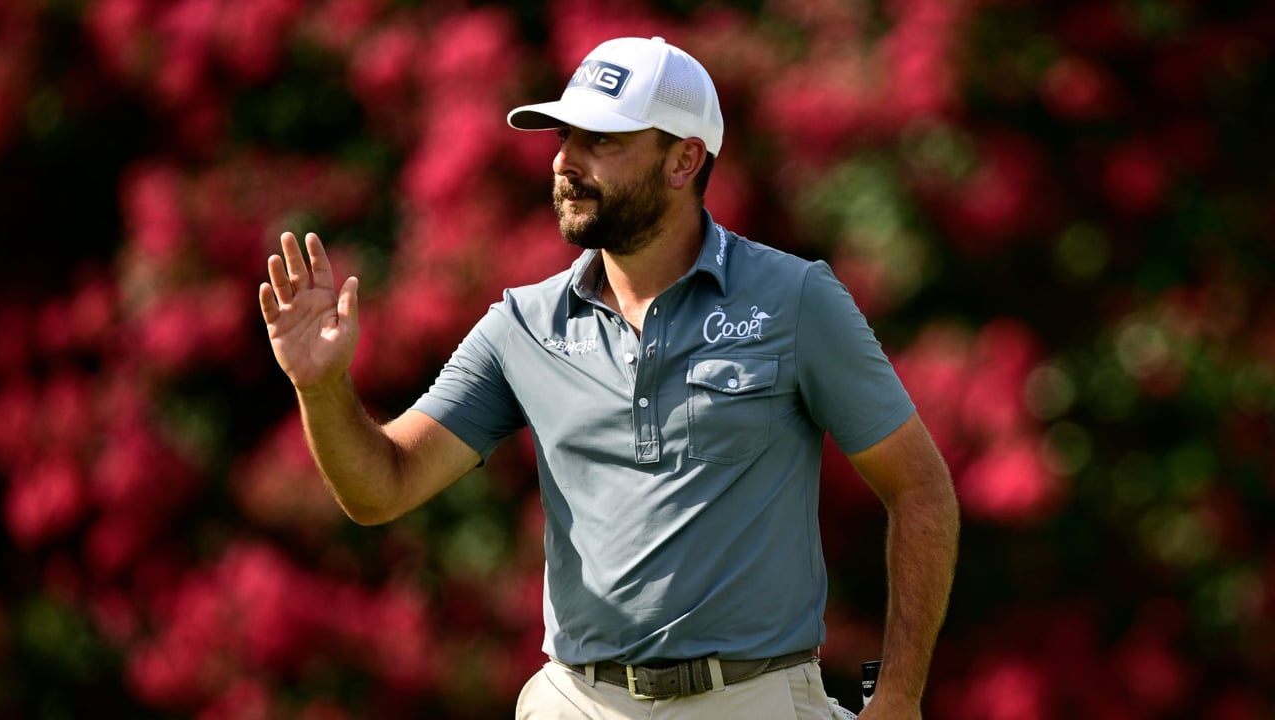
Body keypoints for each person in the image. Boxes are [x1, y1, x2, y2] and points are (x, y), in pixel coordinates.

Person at [259, 36, 958, 720]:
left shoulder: (795, 299)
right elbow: (381, 489)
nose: (565, 161)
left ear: (684, 161)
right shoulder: (522, 325)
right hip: (577, 702)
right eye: (565, 137)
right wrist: (321, 387)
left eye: (601, 140)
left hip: (754, 699)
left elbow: (919, 487)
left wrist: (897, 695)